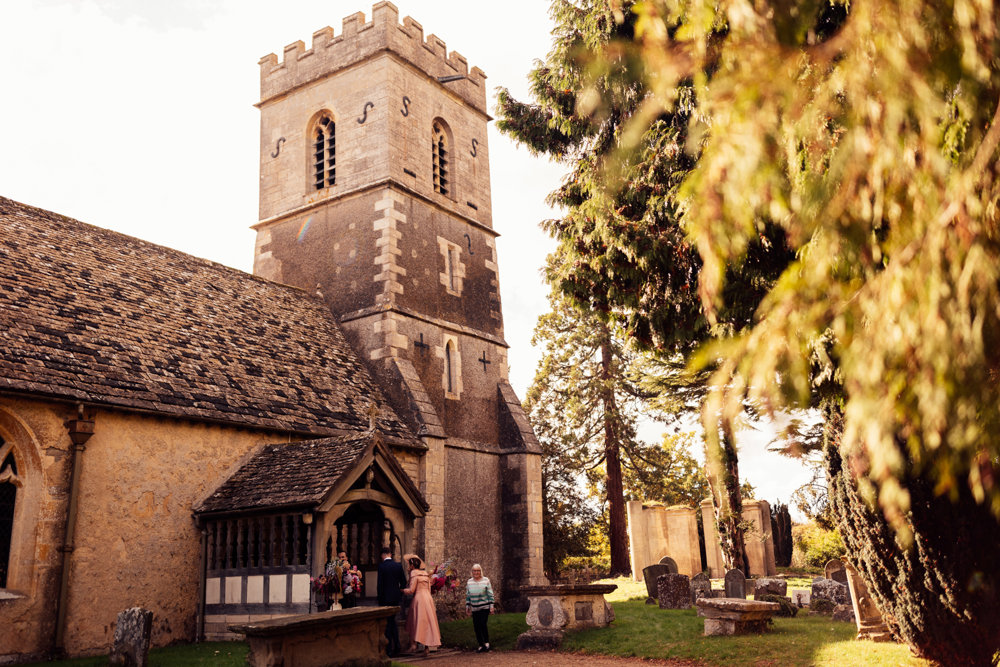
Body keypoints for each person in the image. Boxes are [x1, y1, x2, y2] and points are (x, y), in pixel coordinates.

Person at [402, 555, 441, 655]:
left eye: (409, 565)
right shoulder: (425, 574)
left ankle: (413, 645)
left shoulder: (414, 574)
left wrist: (402, 590)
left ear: (412, 566)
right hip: (428, 599)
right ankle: (426, 648)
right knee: (427, 621)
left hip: (419, 599)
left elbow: (411, 590)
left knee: (415, 621)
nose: (408, 566)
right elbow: (429, 589)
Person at [377, 547, 407, 657]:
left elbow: (380, 584)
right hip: (395, 598)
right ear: (390, 554)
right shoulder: (398, 565)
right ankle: (396, 646)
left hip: (385, 598)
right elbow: (403, 582)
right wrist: (399, 593)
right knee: (392, 621)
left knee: (388, 623)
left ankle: (389, 648)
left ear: (383, 555)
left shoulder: (381, 566)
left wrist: (379, 598)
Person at [465, 563, 495, 653]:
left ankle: (487, 643)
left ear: (480, 571)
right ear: (472, 572)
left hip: (484, 606)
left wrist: (491, 606)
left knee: (482, 624)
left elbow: (490, 594)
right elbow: (468, 595)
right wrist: (467, 606)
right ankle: (481, 645)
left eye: (478, 570)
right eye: (474, 571)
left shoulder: (486, 580)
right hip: (474, 608)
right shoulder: (469, 582)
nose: (476, 572)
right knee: (476, 626)